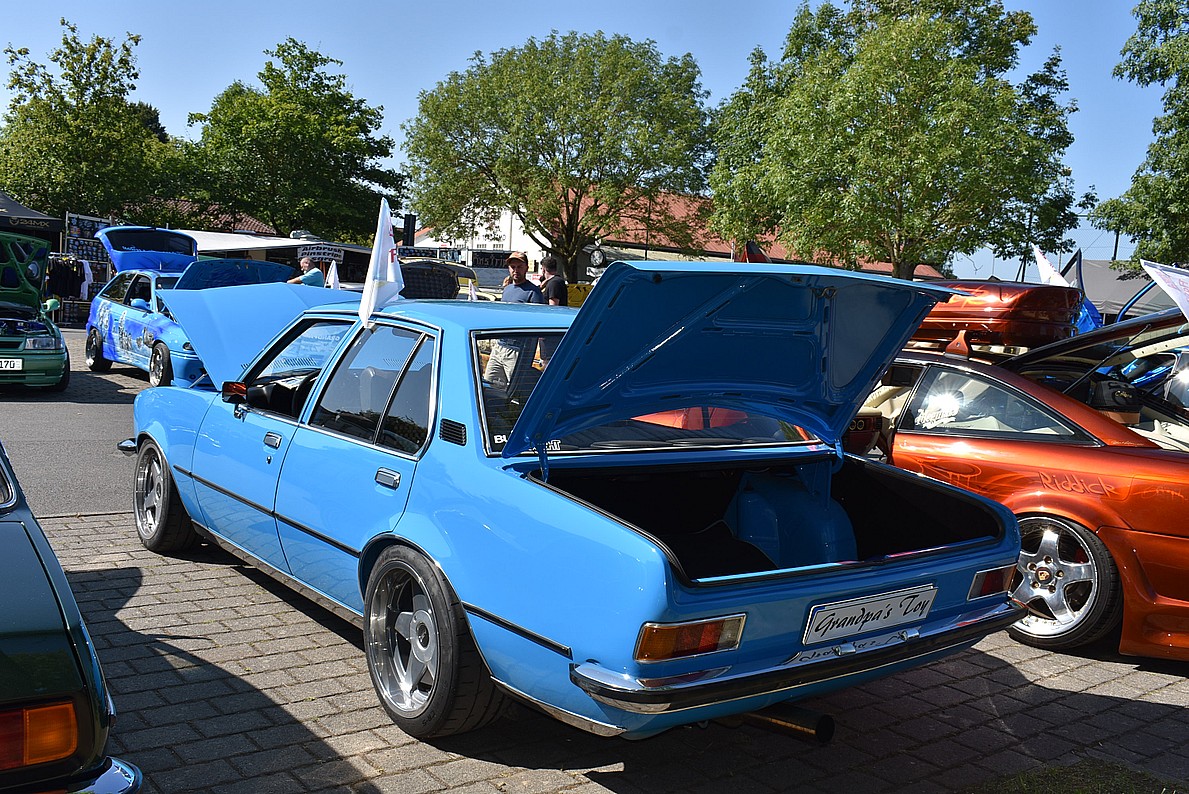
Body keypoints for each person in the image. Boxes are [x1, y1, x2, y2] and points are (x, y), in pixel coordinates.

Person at [485, 252, 544, 388]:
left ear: (526, 268)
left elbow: (537, 324)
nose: (516, 270)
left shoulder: (533, 292)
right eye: (513, 267)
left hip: (518, 350)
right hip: (499, 347)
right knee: (489, 386)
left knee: (516, 390)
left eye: (519, 267)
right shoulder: (507, 289)